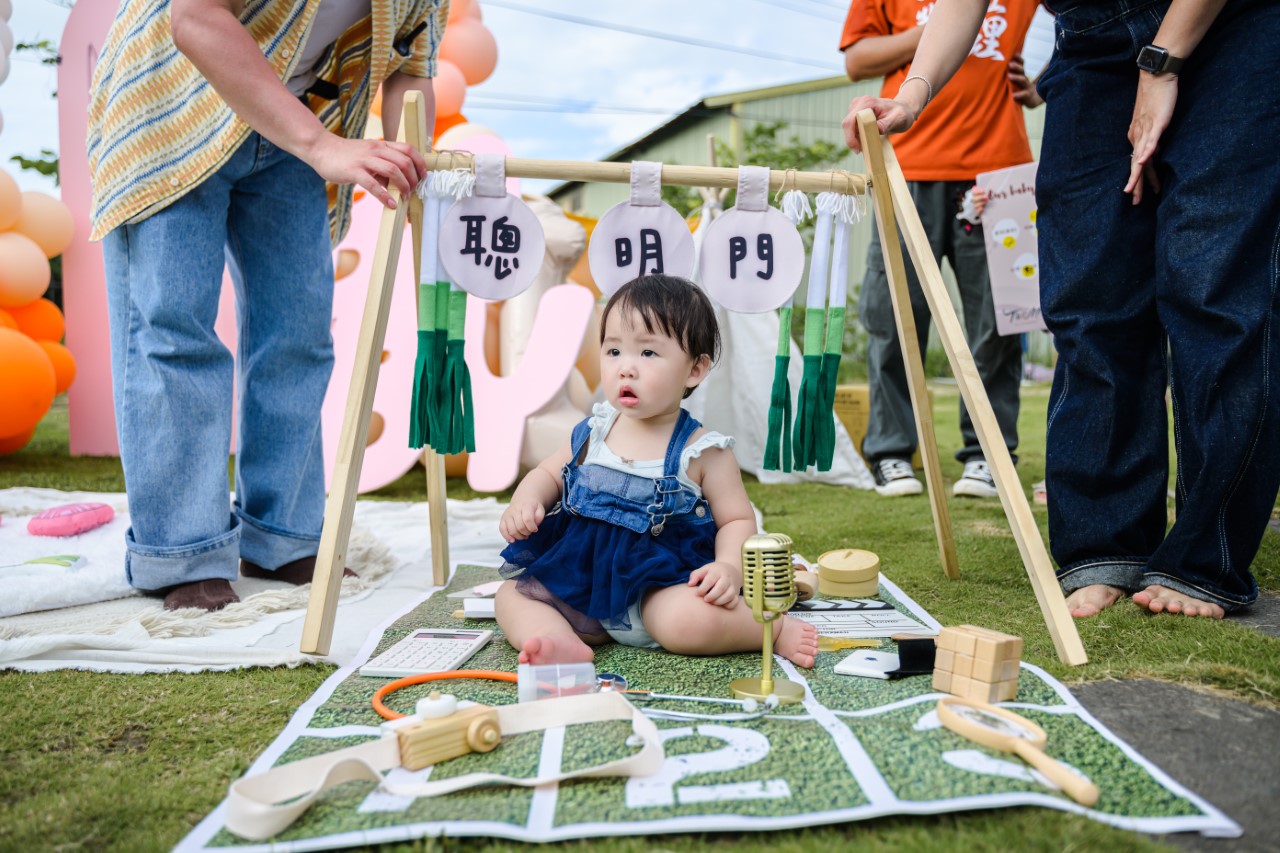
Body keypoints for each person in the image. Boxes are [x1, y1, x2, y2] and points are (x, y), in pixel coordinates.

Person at [844, 0, 1279, 618]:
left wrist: (1161, 63)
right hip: (1094, 45)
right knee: (1089, 295)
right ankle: (1104, 547)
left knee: (1212, 280)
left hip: (1232, 30)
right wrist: (913, 95)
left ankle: (1204, 556)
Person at [86, 0, 444, 611]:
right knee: (174, 328)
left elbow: (411, 66)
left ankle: (284, 538)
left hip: (296, 121)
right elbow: (196, 17)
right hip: (174, 100)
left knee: (298, 333)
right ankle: (184, 553)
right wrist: (321, 144)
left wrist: (411, 160)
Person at [494, 274, 820, 667]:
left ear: (694, 370)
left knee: (687, 622)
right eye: (613, 351)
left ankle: (773, 629)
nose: (626, 369)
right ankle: (557, 639)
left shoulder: (701, 450)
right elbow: (548, 473)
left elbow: (736, 518)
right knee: (512, 596)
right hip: (582, 581)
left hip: (663, 588)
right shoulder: (593, 430)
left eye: (647, 354)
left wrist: (729, 567)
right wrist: (527, 499)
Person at [840, 0, 1043, 498]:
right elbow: (856, 60)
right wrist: (934, 33)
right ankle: (891, 452)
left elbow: (1098, 20)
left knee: (998, 321)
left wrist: (1047, 83)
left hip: (999, 173)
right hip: (907, 166)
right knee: (892, 316)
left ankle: (988, 455)